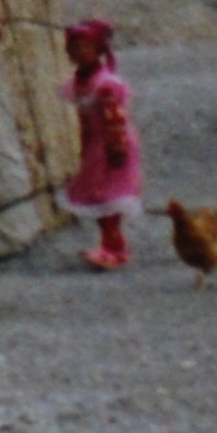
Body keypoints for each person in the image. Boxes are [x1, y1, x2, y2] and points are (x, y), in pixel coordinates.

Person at [60, 17, 142, 271]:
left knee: (109, 197)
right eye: (72, 47)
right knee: (97, 195)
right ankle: (109, 244)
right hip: (95, 146)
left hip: (110, 147)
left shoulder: (105, 86)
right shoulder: (80, 83)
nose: (76, 53)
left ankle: (115, 247)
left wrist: (115, 149)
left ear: (97, 49)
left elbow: (115, 120)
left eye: (83, 47)